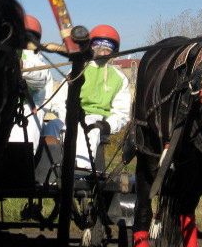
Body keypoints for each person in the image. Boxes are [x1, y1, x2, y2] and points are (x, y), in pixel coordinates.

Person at [51, 24, 132, 171]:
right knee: (51, 128)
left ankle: (81, 171)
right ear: (91, 47)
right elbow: (59, 100)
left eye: (108, 48)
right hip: (70, 116)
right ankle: (46, 175)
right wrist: (67, 117)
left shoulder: (119, 78)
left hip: (95, 119)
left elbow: (122, 112)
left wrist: (108, 125)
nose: (103, 52)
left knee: (88, 127)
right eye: (99, 47)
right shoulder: (78, 69)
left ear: (114, 51)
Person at [9, 15, 54, 155]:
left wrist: (21, 65)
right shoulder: (3, 51)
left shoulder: (36, 59)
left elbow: (40, 79)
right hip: (1, 108)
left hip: (29, 108)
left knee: (20, 149)